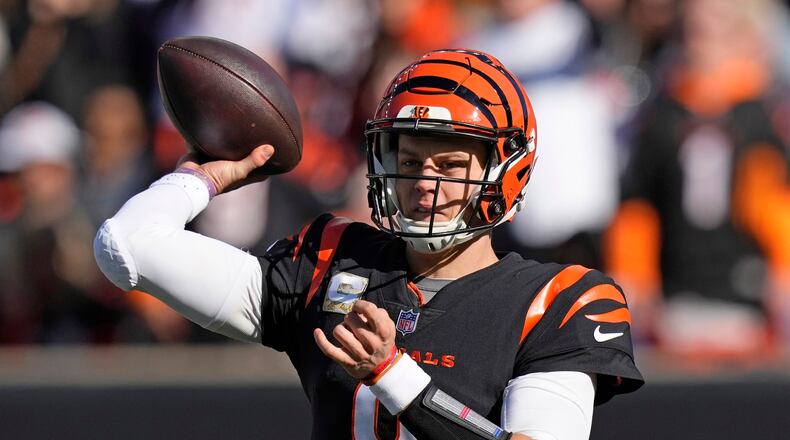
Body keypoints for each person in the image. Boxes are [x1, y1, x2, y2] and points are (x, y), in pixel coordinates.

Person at [94, 49, 643, 439]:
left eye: (450, 165)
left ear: (506, 172)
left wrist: (393, 376)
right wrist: (203, 178)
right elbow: (127, 246)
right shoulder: (332, 262)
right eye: (409, 164)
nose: (427, 184)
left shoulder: (558, 300)